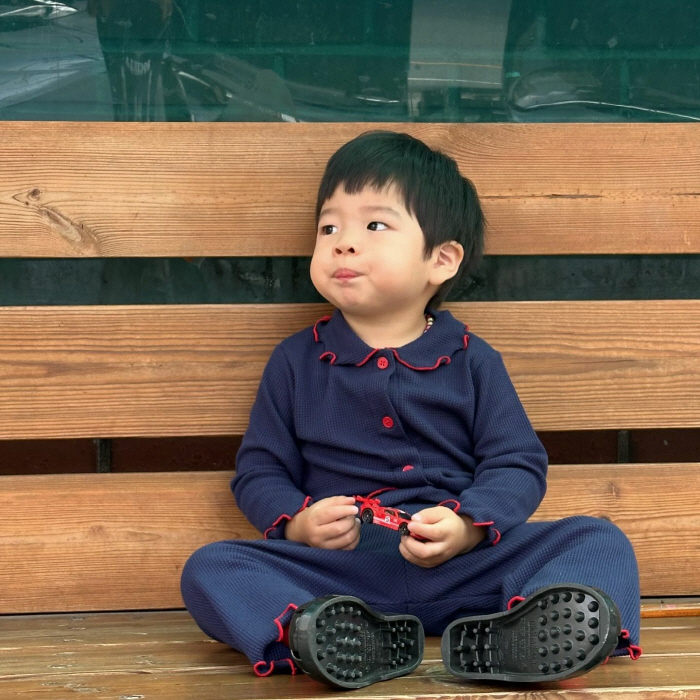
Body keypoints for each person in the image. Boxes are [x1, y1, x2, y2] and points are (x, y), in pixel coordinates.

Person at [180, 130, 641, 688]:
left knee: (597, 539)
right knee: (211, 568)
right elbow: (259, 471)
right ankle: (328, 638)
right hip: (345, 574)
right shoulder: (296, 361)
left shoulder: (472, 360)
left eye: (374, 225)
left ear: (441, 259)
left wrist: (469, 526)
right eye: (330, 227)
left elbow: (516, 462)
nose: (343, 243)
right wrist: (299, 524)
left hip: (465, 565)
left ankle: (522, 634)